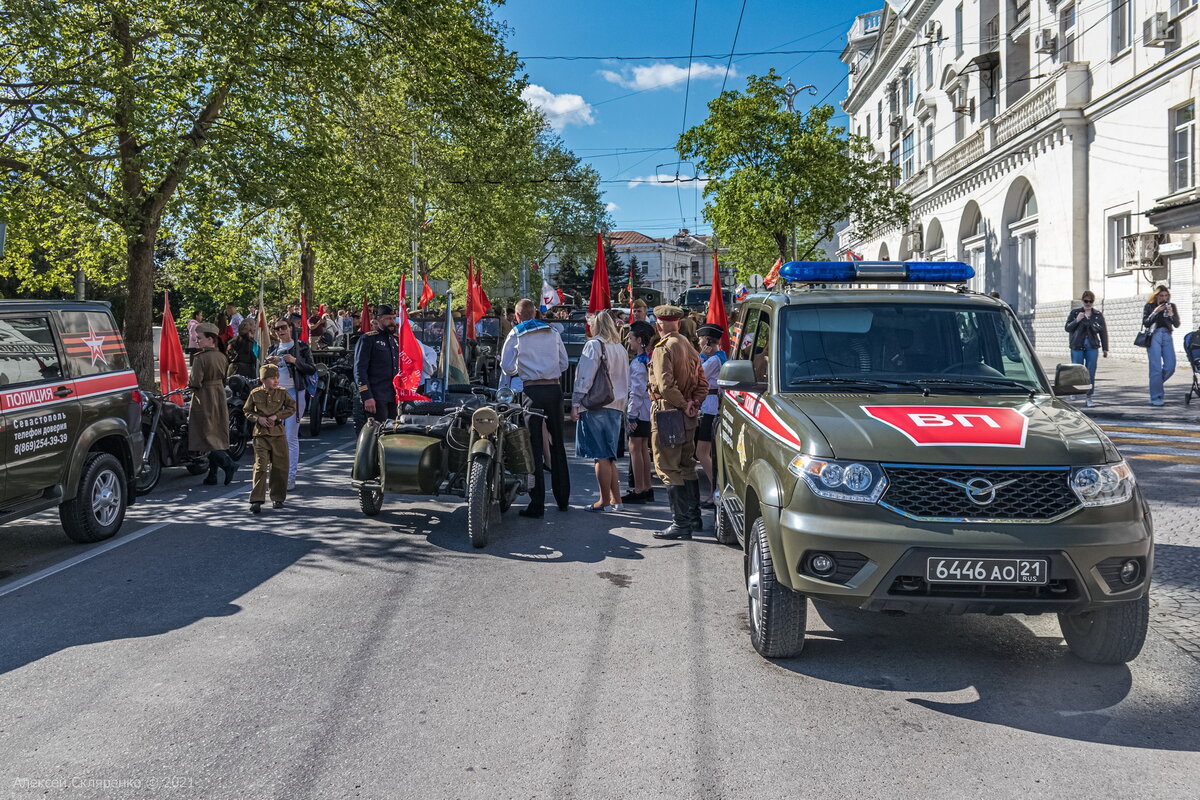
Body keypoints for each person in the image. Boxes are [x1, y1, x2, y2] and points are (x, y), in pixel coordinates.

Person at [501, 297, 570, 518]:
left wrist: (522, 370)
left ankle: (537, 503)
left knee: (534, 448)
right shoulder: (552, 332)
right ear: (536, 313)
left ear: (517, 316)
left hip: (531, 391)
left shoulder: (516, 333)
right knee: (558, 443)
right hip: (554, 390)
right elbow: (564, 363)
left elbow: (506, 366)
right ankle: (563, 498)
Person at [648, 305, 708, 540]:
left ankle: (680, 523)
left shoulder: (663, 348)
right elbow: (703, 382)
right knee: (686, 466)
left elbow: (665, 386)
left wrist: (683, 404)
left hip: (669, 412)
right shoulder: (689, 346)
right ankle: (694, 517)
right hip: (687, 415)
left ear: (659, 324)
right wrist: (693, 403)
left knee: (668, 467)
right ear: (679, 323)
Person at [572, 311, 630, 512]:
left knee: (601, 456)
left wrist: (576, 404)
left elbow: (584, 377)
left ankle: (604, 500)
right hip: (616, 405)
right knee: (609, 456)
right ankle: (616, 499)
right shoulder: (620, 347)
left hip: (596, 404)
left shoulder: (594, 345)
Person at [267, 318, 316, 490]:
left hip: (295, 393)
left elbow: (311, 369)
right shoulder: (272, 348)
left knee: (290, 437)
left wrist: (295, 361)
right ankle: (276, 474)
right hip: (275, 394)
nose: (280, 331)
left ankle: (290, 476)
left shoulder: (301, 346)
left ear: (290, 328)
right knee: (273, 436)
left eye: (283, 327)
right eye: (276, 328)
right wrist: (269, 364)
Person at [188, 323, 238, 486]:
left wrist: (190, 386)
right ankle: (212, 475)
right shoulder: (222, 357)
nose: (197, 341)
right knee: (216, 435)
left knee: (205, 437)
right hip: (219, 395)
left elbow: (196, 381)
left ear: (210, 340)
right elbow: (224, 377)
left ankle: (228, 464)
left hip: (204, 397)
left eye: (200, 338)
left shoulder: (200, 358)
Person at [243, 363, 296, 513]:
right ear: (263, 379)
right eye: (272, 378)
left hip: (278, 433)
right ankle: (256, 500)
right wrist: (257, 418)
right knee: (260, 466)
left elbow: (292, 408)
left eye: (277, 377)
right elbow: (246, 410)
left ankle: (278, 498)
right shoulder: (255, 393)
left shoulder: (282, 393)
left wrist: (277, 416)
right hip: (260, 434)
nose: (276, 380)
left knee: (280, 466)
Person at [622, 321, 656, 504]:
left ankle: (640, 488)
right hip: (647, 409)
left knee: (635, 448)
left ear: (640, 340)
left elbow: (636, 391)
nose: (629, 342)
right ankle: (646, 486)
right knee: (643, 448)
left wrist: (631, 414)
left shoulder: (637, 363)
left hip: (640, 409)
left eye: (631, 338)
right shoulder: (651, 358)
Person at [695, 323, 727, 507]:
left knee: (702, 452)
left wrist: (700, 355)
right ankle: (713, 490)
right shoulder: (719, 357)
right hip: (712, 406)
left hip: (710, 408)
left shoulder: (713, 360)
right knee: (708, 453)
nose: (698, 342)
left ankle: (716, 489)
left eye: (700, 339)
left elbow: (698, 374)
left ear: (707, 340)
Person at [353, 305, 399, 428]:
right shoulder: (368, 339)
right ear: (378, 319)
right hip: (376, 396)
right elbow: (359, 370)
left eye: (394, 318)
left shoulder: (395, 341)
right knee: (376, 434)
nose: (392, 322)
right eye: (388, 318)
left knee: (391, 435)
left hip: (393, 396)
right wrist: (367, 396)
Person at [1064, 291, 1109, 407]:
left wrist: (1105, 348)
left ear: (1093, 302)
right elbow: (1068, 328)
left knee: (1091, 372)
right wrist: (1077, 320)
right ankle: (1073, 391)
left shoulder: (1097, 315)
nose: (1088, 303)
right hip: (1077, 345)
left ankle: (1089, 397)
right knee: (1076, 370)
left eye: (1090, 301)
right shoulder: (1075, 313)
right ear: (1082, 301)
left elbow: (1103, 332)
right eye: (1086, 301)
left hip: (1092, 346)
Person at [1143, 285, 1181, 406]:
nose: (1164, 298)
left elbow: (1177, 324)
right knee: (1155, 367)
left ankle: (1155, 385)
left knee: (1170, 366)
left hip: (1167, 335)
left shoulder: (1171, 306)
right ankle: (1156, 397)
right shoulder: (1149, 306)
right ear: (1156, 296)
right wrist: (1155, 312)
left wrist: (1171, 314)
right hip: (1154, 336)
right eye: (1161, 296)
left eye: (1166, 296)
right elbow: (1146, 323)